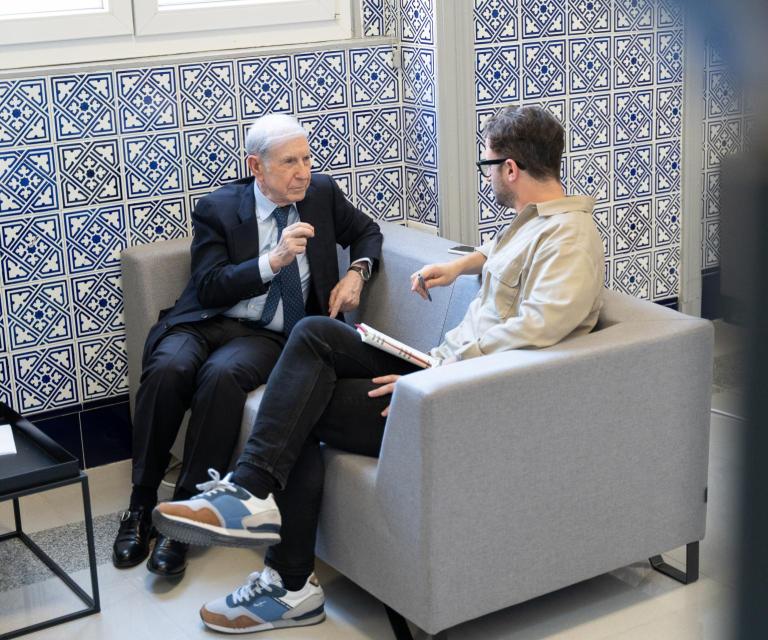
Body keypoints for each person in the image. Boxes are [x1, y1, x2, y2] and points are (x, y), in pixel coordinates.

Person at [151, 105, 606, 633]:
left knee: (302, 406)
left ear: (511, 169)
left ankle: (288, 582)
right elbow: (506, 257)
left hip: (459, 394)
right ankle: (251, 495)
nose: (488, 176)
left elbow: (538, 328)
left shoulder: (572, 238)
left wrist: (433, 375)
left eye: (487, 166)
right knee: (314, 334)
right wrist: (461, 264)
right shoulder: (533, 222)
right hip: (438, 373)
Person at [111, 114, 382, 577]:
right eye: (289, 162)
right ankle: (140, 505)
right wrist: (271, 260)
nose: (303, 171)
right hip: (206, 319)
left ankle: (184, 516)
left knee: (222, 377)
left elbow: (367, 232)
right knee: (169, 369)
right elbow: (211, 286)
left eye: (307, 158)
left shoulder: (321, 195)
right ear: (255, 166)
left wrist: (357, 272)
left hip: (267, 334)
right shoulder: (219, 208)